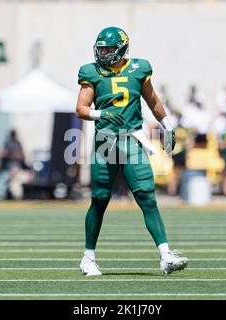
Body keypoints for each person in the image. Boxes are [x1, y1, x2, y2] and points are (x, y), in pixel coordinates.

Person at [75, 26, 188, 276]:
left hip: (132, 140)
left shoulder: (140, 69)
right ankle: (88, 258)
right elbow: (81, 108)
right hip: (105, 142)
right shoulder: (91, 72)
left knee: (147, 197)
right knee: (100, 199)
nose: (103, 53)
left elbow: (153, 101)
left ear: (122, 49)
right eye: (101, 48)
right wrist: (101, 113)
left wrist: (168, 125)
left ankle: (166, 255)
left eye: (109, 49)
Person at [0, 129, 30, 200]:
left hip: (18, 167)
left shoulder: (18, 143)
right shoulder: (7, 143)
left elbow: (22, 155)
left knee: (18, 180)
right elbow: (4, 154)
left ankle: (18, 196)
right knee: (14, 182)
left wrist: (16, 155)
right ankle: (15, 196)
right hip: (11, 167)